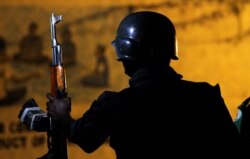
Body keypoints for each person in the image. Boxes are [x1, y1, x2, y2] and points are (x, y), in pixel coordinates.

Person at [46, 11, 245, 158]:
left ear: (126, 52)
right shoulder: (205, 95)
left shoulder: (116, 104)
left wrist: (62, 115)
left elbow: (85, 138)